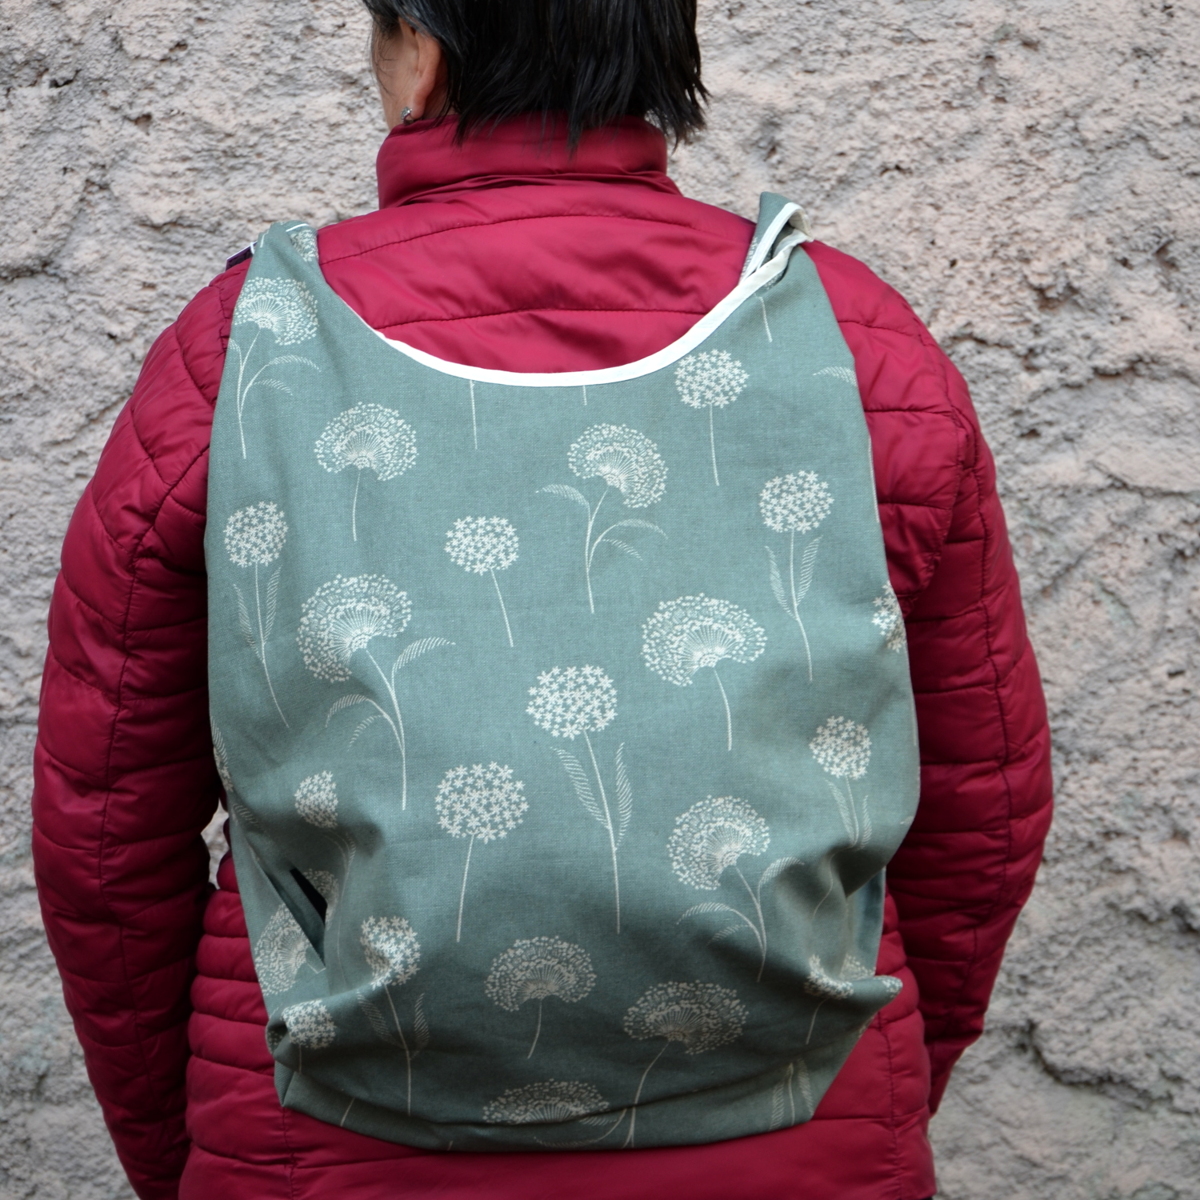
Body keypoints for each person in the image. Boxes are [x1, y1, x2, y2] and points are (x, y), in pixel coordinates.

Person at [31, 2, 1053, 1198]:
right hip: (801, 1134)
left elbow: (105, 830)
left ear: (421, 53)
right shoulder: (855, 348)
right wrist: (871, 1079)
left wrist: (182, 1147)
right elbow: (984, 814)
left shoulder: (242, 354)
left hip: (327, 1140)